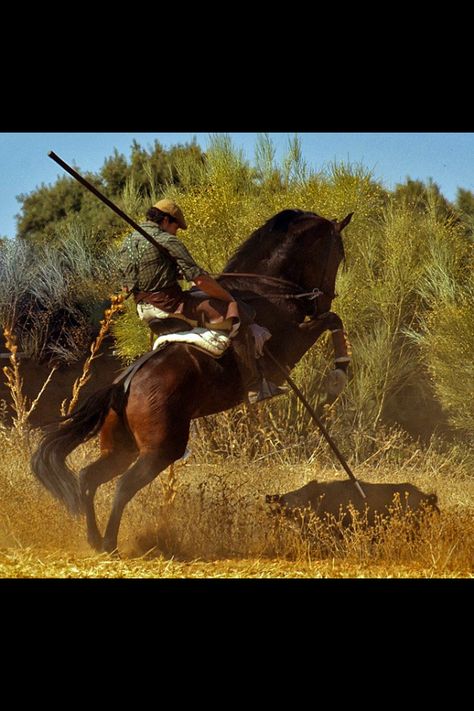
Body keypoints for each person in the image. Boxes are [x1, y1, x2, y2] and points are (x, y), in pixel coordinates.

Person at [118, 198, 285, 404]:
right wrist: (227, 297)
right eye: (176, 227)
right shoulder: (167, 240)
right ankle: (253, 387)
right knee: (236, 312)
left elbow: (127, 286)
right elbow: (199, 279)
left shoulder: (126, 243)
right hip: (170, 306)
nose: (176, 232)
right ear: (167, 220)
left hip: (144, 310)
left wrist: (168, 272)